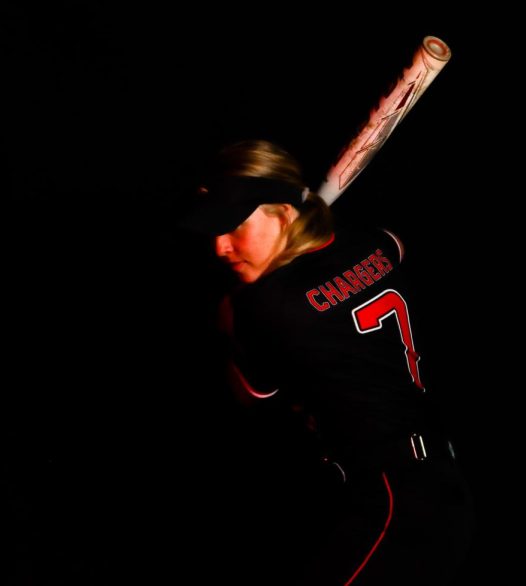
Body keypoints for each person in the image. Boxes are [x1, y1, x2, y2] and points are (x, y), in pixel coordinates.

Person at [185, 139, 474, 585]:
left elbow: (251, 395)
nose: (221, 248)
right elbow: (395, 245)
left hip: (394, 502)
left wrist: (229, 325)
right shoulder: (369, 243)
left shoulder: (261, 308)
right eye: (214, 231)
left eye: (234, 227)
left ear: (282, 211)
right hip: (436, 481)